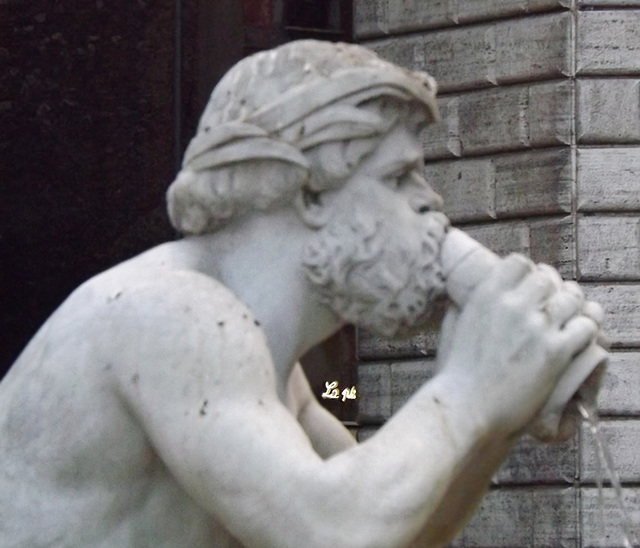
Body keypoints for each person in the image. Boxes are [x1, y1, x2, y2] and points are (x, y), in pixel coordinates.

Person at [0, 40, 601, 548]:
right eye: (398, 176)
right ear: (308, 193)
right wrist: (470, 388)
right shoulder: (173, 313)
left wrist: (500, 416)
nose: (431, 202)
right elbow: (331, 529)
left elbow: (399, 532)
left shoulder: (273, 373)